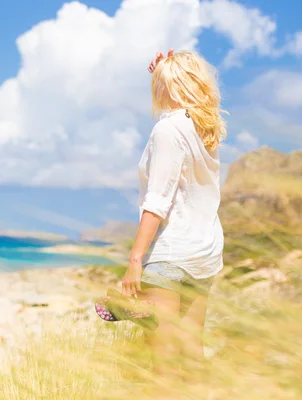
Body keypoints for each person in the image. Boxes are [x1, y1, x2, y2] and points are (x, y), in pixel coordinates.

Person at [123, 48, 226, 377]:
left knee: (163, 362)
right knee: (191, 351)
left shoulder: (167, 131)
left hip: (171, 254)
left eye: (160, 84)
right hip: (204, 253)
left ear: (170, 87)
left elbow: (158, 200)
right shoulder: (205, 129)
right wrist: (164, 71)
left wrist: (135, 260)